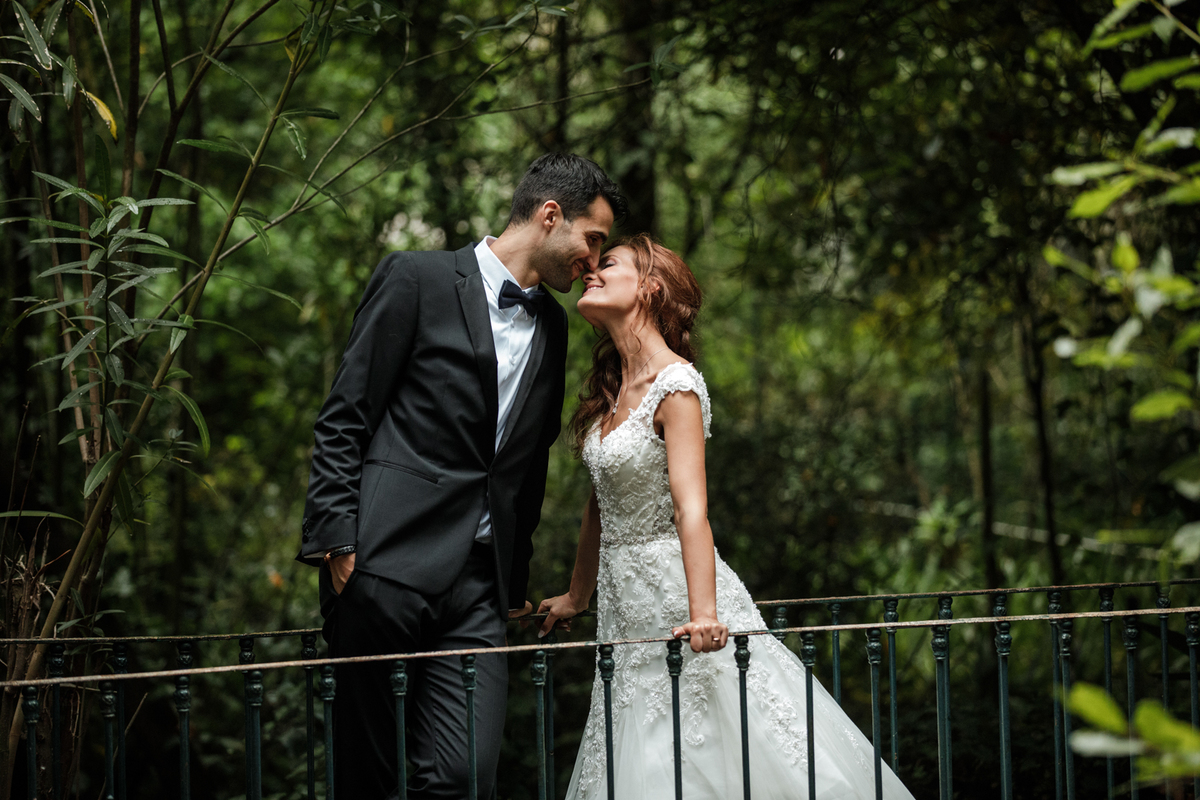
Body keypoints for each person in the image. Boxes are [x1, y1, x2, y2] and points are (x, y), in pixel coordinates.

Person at [538, 234, 917, 799]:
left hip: (677, 597)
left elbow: (691, 508)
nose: (590, 271)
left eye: (608, 263)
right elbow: (600, 504)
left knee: (723, 742)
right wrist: (577, 595)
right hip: (623, 613)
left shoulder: (676, 386)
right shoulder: (611, 394)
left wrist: (705, 614)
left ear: (650, 287)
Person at [297, 153, 625, 799]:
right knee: (368, 777)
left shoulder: (553, 324)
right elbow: (345, 415)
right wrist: (337, 541)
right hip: (382, 565)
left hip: (478, 588)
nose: (593, 260)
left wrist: (511, 578)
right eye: (592, 239)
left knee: (463, 775)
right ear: (550, 215)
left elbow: (528, 461)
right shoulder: (415, 277)